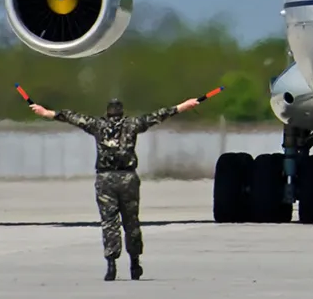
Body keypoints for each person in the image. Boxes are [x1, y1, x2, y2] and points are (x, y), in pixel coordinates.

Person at [29, 95, 201, 281]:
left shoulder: (97, 125)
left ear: (107, 112)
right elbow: (158, 115)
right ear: (122, 111)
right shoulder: (132, 124)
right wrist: (183, 106)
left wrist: (46, 113)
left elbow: (72, 117)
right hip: (128, 178)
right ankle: (134, 262)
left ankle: (111, 264)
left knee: (109, 222)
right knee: (131, 221)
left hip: (105, 179)